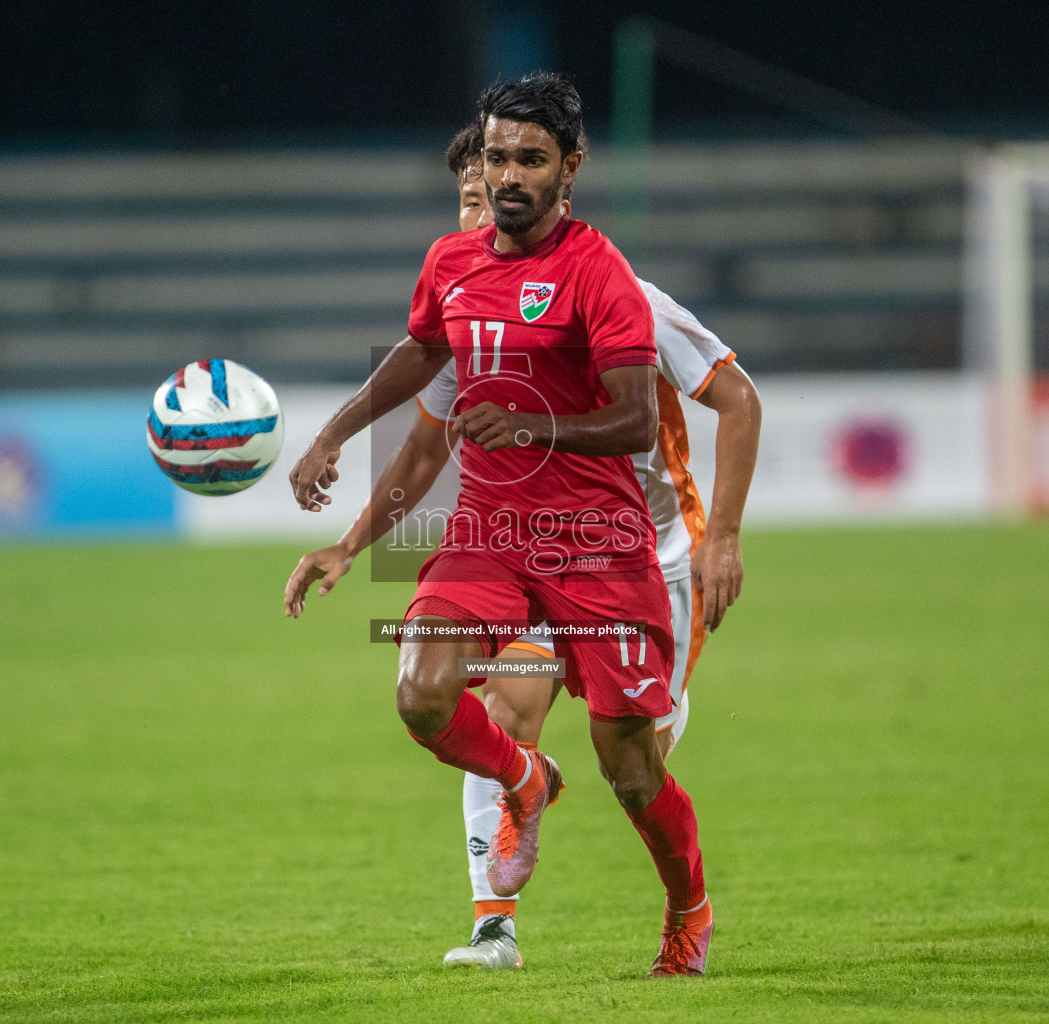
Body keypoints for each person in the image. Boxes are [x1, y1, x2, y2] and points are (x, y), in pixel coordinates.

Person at [286, 120, 761, 971]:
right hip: (507, 540)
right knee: (490, 707)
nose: (483, 210)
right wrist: (349, 542)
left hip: (642, 553)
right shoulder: (464, 297)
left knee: (631, 763)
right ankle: (494, 922)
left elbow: (732, 401)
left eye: (503, 181)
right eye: (473, 191)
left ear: (558, 178)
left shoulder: (622, 293)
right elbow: (427, 445)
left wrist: (723, 535)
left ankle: (688, 905)